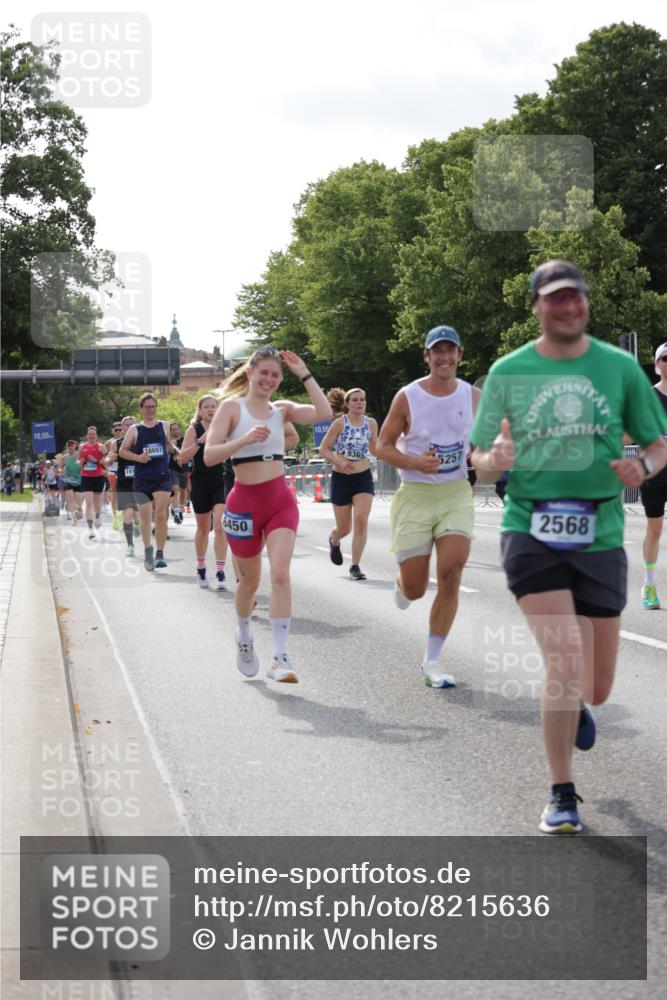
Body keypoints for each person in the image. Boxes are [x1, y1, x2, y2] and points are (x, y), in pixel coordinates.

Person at [471, 259, 667, 834]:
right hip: (531, 530)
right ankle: (562, 791)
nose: (566, 306)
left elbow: (659, 445)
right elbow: (478, 462)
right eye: (554, 298)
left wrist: (640, 465)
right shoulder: (510, 371)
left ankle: (577, 699)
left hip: (601, 533)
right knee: (562, 660)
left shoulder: (618, 368)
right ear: (537, 306)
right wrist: (493, 461)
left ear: (585, 302)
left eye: (574, 296)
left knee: (598, 685)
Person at [204, 347, 332, 683]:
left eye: (275, 375)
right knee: (250, 582)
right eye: (264, 373)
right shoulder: (232, 408)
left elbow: (324, 412)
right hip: (244, 503)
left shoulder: (281, 410)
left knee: (280, 576)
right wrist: (244, 439)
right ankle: (244, 635)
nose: (270, 380)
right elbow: (209, 455)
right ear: (250, 372)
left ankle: (279, 656)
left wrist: (303, 372)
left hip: (279, 501)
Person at [376, 325, 479, 688]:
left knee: (451, 572)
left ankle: (432, 661)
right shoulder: (408, 397)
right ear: (427, 356)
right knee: (417, 588)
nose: (444, 357)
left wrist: (482, 455)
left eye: (451, 351)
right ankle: (403, 585)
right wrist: (415, 463)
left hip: (454, 494)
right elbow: (383, 445)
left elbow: (486, 441)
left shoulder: (473, 396)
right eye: (438, 351)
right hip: (416, 496)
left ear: (459, 355)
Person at [319, 387, 378, 580]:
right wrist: (340, 462)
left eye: (362, 399)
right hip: (341, 478)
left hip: (363, 477)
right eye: (355, 400)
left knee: (361, 521)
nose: (359, 403)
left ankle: (355, 565)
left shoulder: (371, 423)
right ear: (347, 404)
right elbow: (324, 449)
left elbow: (375, 450)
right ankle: (334, 540)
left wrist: (400, 453)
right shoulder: (339, 424)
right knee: (345, 528)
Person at [119, 393, 178, 571]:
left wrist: (176, 450)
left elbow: (167, 444)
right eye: (147, 407)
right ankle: (147, 549)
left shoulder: (164, 425)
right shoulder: (135, 430)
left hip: (162, 477)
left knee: (160, 515)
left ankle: (160, 553)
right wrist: (138, 457)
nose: (151, 409)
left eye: (153, 406)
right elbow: (123, 451)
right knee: (145, 519)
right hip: (142, 479)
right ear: (141, 409)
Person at [178, 395, 229, 590]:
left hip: (221, 481)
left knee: (220, 526)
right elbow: (182, 457)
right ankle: (201, 568)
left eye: (213, 406)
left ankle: (221, 572)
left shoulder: (225, 428)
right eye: (206, 407)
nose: (210, 410)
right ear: (200, 411)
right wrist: (201, 440)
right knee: (203, 529)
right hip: (200, 482)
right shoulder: (194, 429)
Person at [638, 342, 667, 609]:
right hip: (655, 473)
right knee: (654, 530)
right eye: (665, 358)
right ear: (657, 365)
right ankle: (649, 584)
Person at [108, 415, 140, 556]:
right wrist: (111, 458)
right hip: (124, 483)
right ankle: (130, 545)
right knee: (127, 514)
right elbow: (107, 459)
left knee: (137, 516)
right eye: (125, 425)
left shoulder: (141, 441)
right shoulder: (117, 443)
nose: (128, 427)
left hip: (140, 482)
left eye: (131, 424)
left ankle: (138, 525)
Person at [77, 428, 108, 537]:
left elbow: (106, 461)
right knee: (89, 503)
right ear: (87, 435)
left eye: (93, 434)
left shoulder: (101, 447)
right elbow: (78, 460)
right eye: (89, 434)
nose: (91, 436)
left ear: (96, 435)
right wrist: (81, 462)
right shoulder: (82, 447)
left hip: (98, 477)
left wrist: (96, 461)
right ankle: (90, 529)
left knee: (97, 504)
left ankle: (98, 516)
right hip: (86, 477)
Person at [168, 422, 190, 525]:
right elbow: (171, 451)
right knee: (175, 490)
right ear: (170, 431)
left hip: (184, 469)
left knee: (183, 492)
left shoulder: (185, 440)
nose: (175, 431)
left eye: (177, 429)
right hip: (173, 469)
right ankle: (177, 514)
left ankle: (180, 509)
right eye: (173, 429)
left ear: (179, 429)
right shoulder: (170, 442)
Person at [103, 422, 123, 530]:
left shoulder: (127, 440)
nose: (118, 431)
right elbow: (104, 459)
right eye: (116, 430)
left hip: (125, 470)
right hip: (113, 470)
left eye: (120, 429)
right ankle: (115, 517)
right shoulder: (108, 443)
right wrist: (110, 460)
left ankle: (125, 515)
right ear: (112, 431)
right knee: (115, 492)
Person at [62, 440, 83, 522]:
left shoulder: (80, 455)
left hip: (79, 481)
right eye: (69, 446)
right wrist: (60, 471)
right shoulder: (64, 457)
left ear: (75, 446)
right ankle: (74, 517)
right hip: (68, 480)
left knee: (78, 500)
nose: (70, 447)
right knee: (70, 499)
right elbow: (59, 467)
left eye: (72, 445)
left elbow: (84, 464)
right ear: (67, 447)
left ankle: (78, 509)